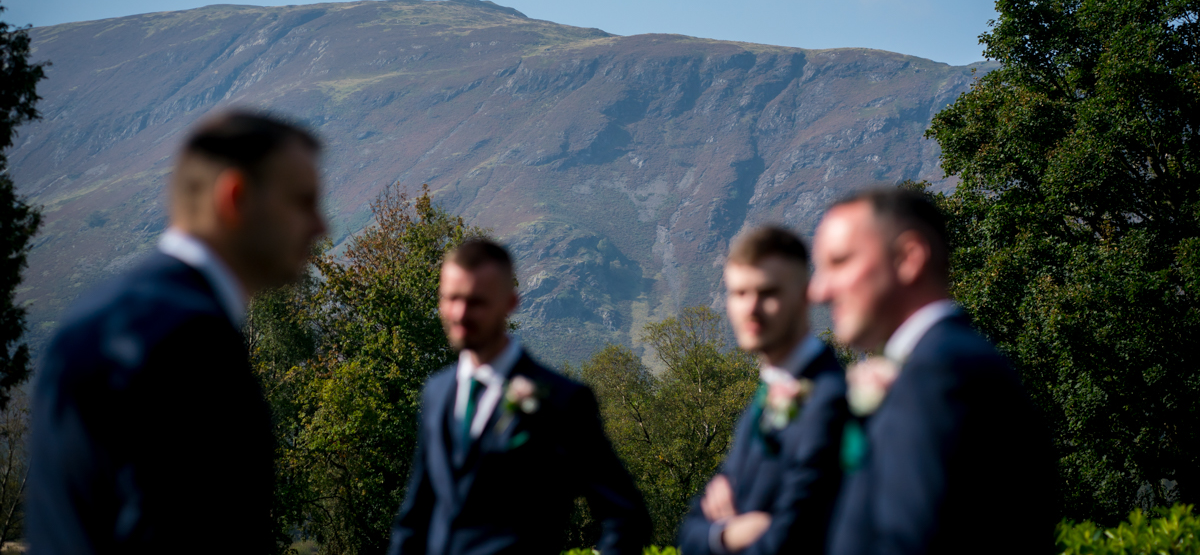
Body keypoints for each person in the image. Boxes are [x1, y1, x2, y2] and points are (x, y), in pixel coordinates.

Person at [27, 110, 327, 555]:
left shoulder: (90, 318)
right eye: (303, 202)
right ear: (236, 197)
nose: (321, 226)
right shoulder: (191, 345)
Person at [809, 187, 1057, 555]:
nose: (819, 290)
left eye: (840, 262)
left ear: (908, 258)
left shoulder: (937, 376)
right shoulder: (946, 363)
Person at [387, 238, 651, 555]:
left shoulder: (563, 401)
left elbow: (626, 516)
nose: (460, 313)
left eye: (476, 302)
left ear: (510, 303)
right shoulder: (437, 392)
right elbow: (415, 517)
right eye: (451, 298)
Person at [677, 226, 848, 555]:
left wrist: (719, 532)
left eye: (768, 293)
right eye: (739, 293)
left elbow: (792, 540)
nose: (750, 308)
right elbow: (689, 532)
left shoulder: (830, 401)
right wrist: (726, 536)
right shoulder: (764, 397)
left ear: (804, 296)